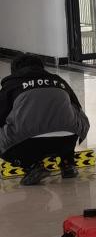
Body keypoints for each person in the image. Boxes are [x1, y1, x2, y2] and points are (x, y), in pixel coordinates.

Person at [0, 55, 90, 186]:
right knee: (70, 118)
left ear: (14, 70)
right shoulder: (59, 81)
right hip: (66, 140)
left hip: (28, 144)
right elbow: (77, 107)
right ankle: (68, 163)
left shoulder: (11, 85)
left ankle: (31, 166)